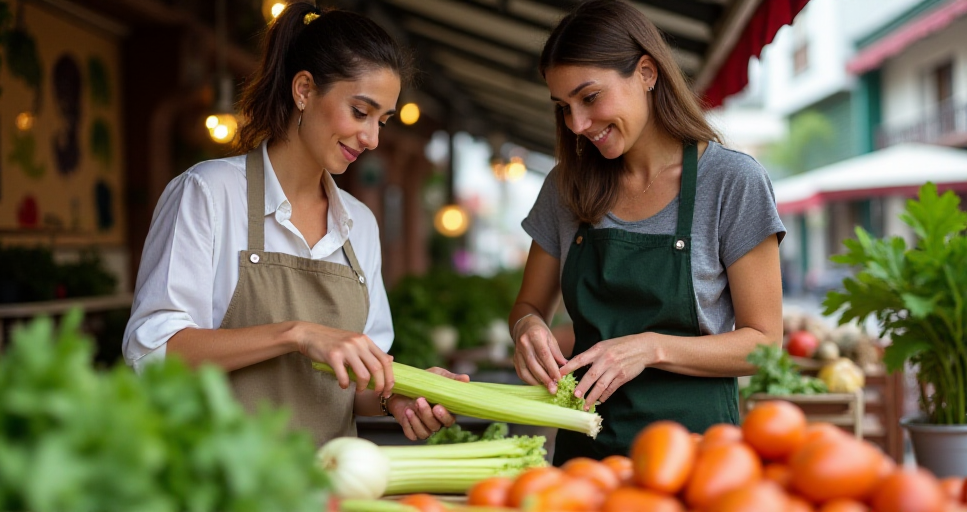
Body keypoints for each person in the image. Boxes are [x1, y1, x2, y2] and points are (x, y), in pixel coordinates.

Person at [123, 2, 462, 445]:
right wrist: (297, 334)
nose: (373, 138)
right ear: (304, 90)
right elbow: (152, 353)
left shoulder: (360, 225)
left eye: (382, 120)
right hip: (218, 484)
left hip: (330, 486)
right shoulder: (208, 194)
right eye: (360, 112)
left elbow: (358, 385)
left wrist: (399, 397)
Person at [509, 0, 786, 464]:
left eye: (590, 97)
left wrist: (650, 348)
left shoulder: (732, 182)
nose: (577, 124)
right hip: (585, 460)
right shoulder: (564, 187)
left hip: (699, 461)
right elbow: (528, 305)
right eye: (564, 107)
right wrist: (527, 328)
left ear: (646, 73)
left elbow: (764, 342)